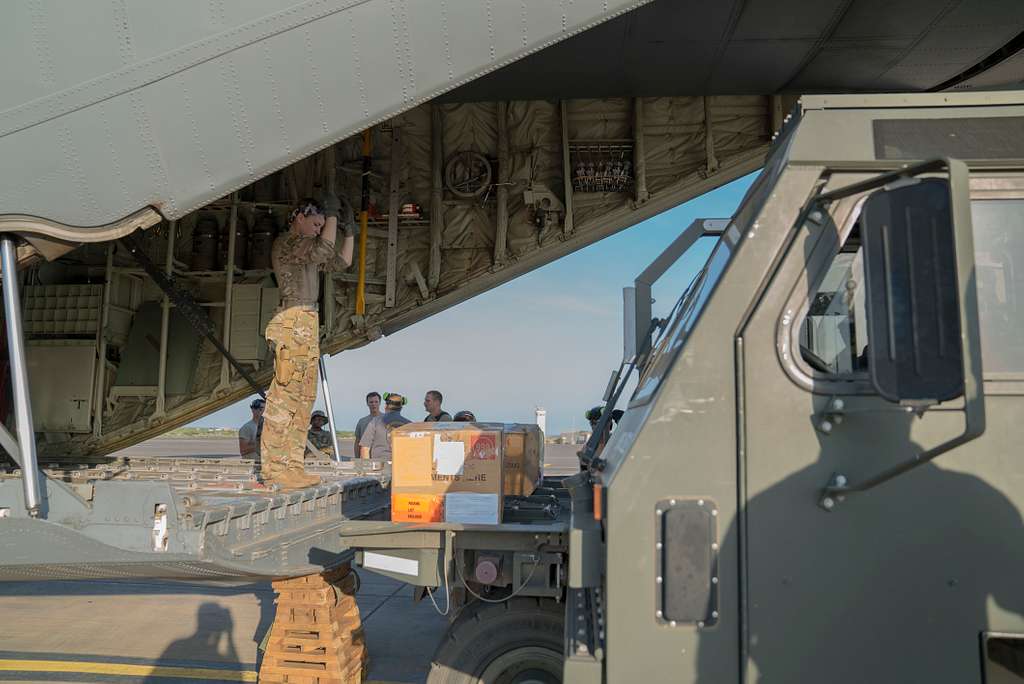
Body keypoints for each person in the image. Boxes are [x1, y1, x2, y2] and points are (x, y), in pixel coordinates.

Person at [260, 192, 355, 489]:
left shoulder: (308, 251)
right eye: (315, 224)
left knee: (303, 399)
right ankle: (275, 469)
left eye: (320, 225)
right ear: (299, 218)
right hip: (292, 321)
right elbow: (322, 248)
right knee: (285, 398)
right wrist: (333, 218)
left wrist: (348, 232)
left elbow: (341, 261)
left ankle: (293, 466)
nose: (318, 230)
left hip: (306, 323)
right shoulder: (288, 244)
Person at [359, 392, 411, 459]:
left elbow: (365, 449)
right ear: (401, 408)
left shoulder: (375, 422)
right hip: (401, 465)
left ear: (386, 406)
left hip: (380, 466)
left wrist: (366, 467)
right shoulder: (409, 425)